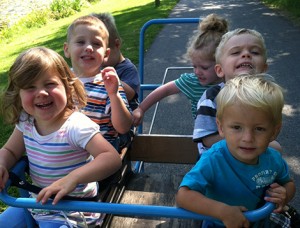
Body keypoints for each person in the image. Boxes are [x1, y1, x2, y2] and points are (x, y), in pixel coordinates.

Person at [0, 47, 122, 227]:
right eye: (30, 87)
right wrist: (2, 164)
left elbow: (111, 158)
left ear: (67, 86)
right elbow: (10, 150)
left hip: (73, 210)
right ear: (18, 94)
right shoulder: (26, 122)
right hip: (37, 203)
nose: (41, 93)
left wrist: (73, 178)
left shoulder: (76, 126)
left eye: (49, 84)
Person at [176, 74, 296, 228]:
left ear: (274, 131)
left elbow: (288, 183)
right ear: (220, 127)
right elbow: (183, 196)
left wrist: (285, 194)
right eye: (237, 127)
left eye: (259, 129)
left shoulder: (273, 158)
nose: (247, 138)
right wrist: (222, 211)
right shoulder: (214, 159)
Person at [192, 28, 282, 155]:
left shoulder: (267, 96)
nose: (246, 55)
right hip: (217, 162)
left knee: (276, 150)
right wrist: (241, 142)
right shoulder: (212, 97)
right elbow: (206, 138)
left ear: (264, 68)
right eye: (235, 52)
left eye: (255, 52)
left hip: (255, 159)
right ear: (219, 70)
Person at [132, 14, 229, 126]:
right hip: (205, 138)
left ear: (221, 64)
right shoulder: (192, 82)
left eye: (204, 67)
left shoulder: (233, 81)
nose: (197, 72)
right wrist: (141, 109)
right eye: (194, 66)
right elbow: (165, 90)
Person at [63, 15, 132, 148]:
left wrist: (114, 95)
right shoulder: (59, 81)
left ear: (106, 54)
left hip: (100, 156)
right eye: (81, 42)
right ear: (67, 50)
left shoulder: (109, 84)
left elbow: (123, 127)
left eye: (96, 44)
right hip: (66, 151)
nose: (89, 48)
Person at [92, 12, 140, 111]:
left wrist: (104, 77)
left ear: (117, 45)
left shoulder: (128, 69)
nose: (98, 62)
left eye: (104, 54)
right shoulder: (96, 70)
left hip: (123, 120)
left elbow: (130, 94)